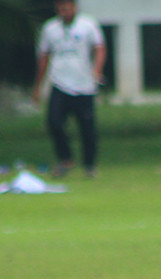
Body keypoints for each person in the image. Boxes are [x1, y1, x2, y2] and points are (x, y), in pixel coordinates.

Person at [33, 0, 107, 178]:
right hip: (59, 83)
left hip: (84, 85)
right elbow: (44, 57)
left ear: (75, 7)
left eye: (66, 8)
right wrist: (38, 86)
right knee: (54, 122)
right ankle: (65, 159)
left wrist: (97, 70)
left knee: (87, 128)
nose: (63, 12)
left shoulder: (88, 25)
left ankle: (89, 165)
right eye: (60, 9)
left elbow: (99, 48)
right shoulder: (50, 28)